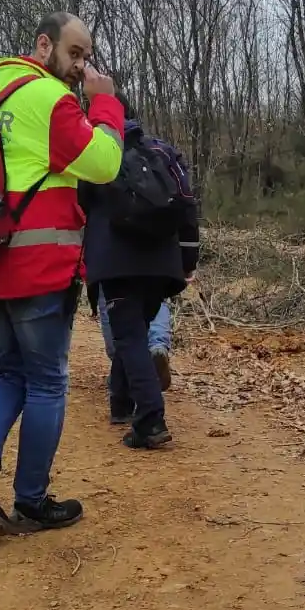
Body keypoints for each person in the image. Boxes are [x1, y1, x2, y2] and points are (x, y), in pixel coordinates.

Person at [0, 13, 124, 535]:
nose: (79, 65)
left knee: (10, 374)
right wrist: (107, 104)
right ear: (43, 44)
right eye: (74, 53)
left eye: (85, 57)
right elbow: (105, 164)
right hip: (36, 270)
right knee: (46, 381)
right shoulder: (51, 100)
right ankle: (32, 500)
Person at [79, 108, 199, 447]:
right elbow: (187, 206)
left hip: (117, 263)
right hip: (162, 264)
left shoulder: (95, 155)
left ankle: (150, 419)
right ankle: (120, 401)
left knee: (129, 338)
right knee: (135, 330)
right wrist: (188, 261)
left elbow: (80, 206)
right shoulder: (163, 151)